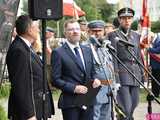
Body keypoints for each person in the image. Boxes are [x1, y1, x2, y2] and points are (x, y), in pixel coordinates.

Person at [6, 15, 54, 120]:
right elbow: (20, 85)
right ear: (29, 30)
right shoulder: (19, 50)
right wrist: (29, 114)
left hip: (37, 107)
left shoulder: (26, 46)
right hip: (28, 112)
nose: (38, 29)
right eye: (37, 26)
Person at [51, 19, 101, 120]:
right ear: (65, 33)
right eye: (71, 29)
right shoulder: (58, 52)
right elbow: (55, 79)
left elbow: (93, 72)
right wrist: (74, 88)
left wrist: (96, 79)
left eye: (77, 29)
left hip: (88, 100)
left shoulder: (87, 50)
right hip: (71, 102)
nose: (75, 31)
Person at [108, 7, 144, 120]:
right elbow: (113, 58)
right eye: (124, 18)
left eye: (129, 18)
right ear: (119, 20)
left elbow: (138, 56)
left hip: (135, 75)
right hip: (122, 74)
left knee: (134, 104)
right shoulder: (113, 35)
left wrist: (142, 73)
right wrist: (115, 78)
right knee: (125, 107)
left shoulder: (136, 35)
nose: (127, 21)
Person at [87, 20, 115, 120]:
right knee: (95, 116)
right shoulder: (86, 48)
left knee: (107, 116)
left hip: (109, 87)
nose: (97, 33)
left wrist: (114, 84)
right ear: (88, 32)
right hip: (95, 88)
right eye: (94, 31)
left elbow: (110, 67)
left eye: (100, 30)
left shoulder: (105, 47)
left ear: (104, 31)